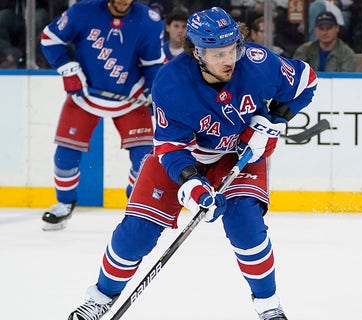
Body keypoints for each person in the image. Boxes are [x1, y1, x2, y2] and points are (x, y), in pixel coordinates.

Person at [66, 7, 317, 320]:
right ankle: (100, 297)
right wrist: (191, 184)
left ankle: (268, 304)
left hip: (238, 155)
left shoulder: (258, 62)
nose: (229, 60)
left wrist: (273, 121)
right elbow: (171, 149)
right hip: (184, 157)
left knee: (246, 224)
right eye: (218, 54)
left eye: (233, 49)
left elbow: (307, 83)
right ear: (198, 53)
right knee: (137, 232)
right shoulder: (170, 82)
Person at [39, 0, 165, 231]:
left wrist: (151, 92)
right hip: (85, 95)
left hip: (131, 96)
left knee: (144, 159)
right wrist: (68, 68)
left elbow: (153, 64)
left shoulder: (148, 20)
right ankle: (65, 203)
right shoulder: (82, 10)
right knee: (64, 157)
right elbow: (50, 38)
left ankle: (136, 206)